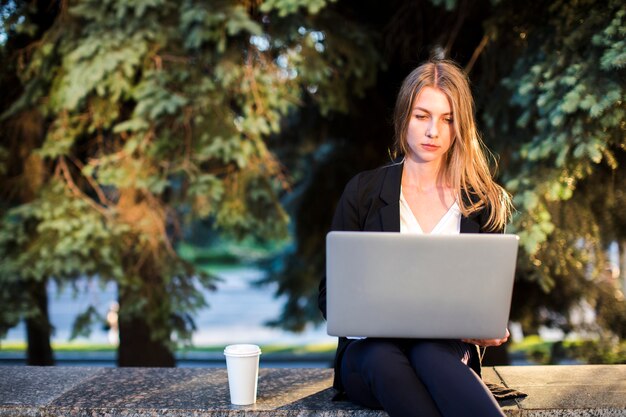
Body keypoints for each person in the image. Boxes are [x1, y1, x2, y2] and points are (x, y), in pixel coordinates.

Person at [318, 58, 514, 417]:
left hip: (444, 351)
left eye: (447, 119)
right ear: (403, 116)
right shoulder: (363, 192)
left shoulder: (483, 202)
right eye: (422, 116)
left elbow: (489, 299)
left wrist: (488, 328)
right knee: (383, 356)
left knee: (429, 351)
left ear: (460, 126)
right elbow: (330, 295)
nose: (433, 131)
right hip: (369, 354)